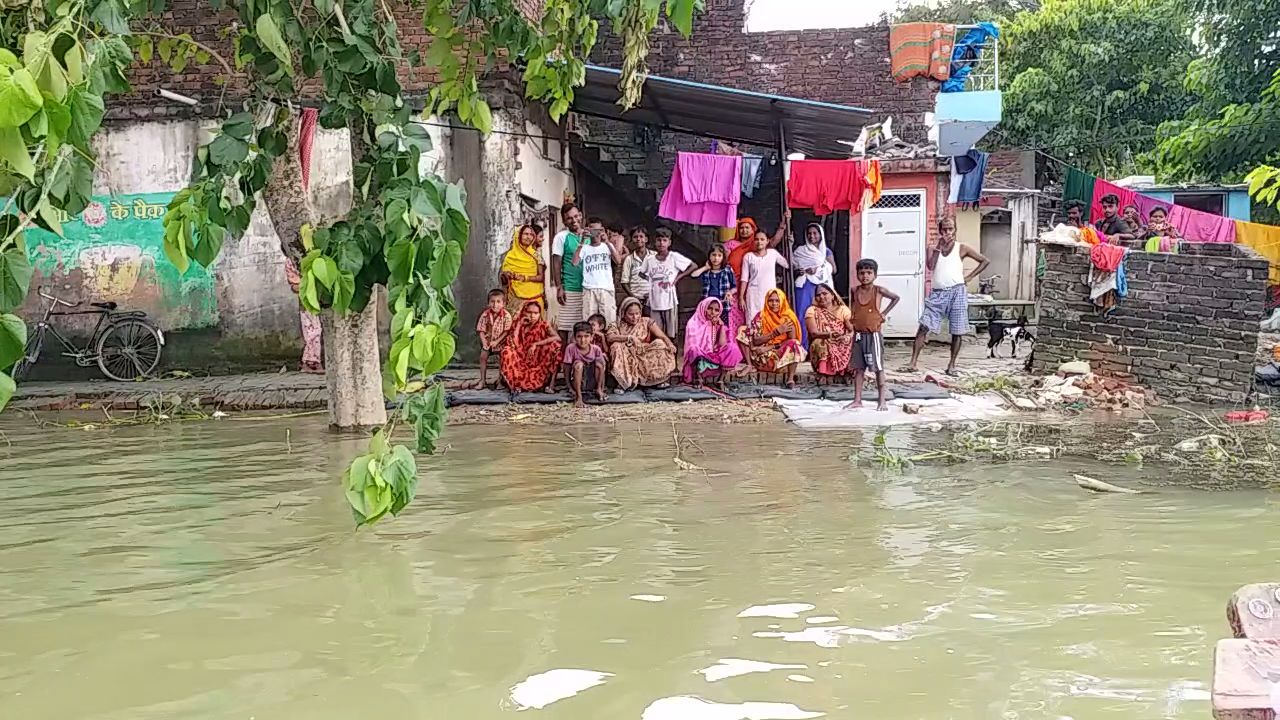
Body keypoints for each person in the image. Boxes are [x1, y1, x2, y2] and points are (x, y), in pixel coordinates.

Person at [905, 216, 989, 375]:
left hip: (957, 291)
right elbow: (931, 266)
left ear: (955, 230)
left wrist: (969, 277)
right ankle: (913, 363)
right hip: (938, 293)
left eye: (950, 229)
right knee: (924, 325)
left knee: (957, 330)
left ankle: (952, 365)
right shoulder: (933, 248)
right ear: (940, 231)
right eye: (944, 229)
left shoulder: (962, 248)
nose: (947, 232)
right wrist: (938, 246)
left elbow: (985, 261)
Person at [847, 259, 900, 410]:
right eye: (862, 273)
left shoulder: (879, 290)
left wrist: (884, 313)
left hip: (873, 335)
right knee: (858, 368)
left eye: (869, 273)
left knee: (878, 368)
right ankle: (857, 400)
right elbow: (853, 308)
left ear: (875, 275)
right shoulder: (854, 291)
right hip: (858, 335)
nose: (865, 276)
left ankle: (882, 401)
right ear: (857, 274)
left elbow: (896, 298)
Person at [739, 288, 807, 388]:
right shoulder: (761, 316)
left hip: (780, 359)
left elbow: (791, 342)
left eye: (777, 300)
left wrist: (770, 346)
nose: (774, 303)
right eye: (771, 300)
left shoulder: (788, 318)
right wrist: (774, 333)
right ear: (767, 301)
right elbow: (755, 340)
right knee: (743, 330)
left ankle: (790, 379)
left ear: (782, 301)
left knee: (794, 344)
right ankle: (749, 365)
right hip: (760, 358)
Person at [606, 297, 678, 391]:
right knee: (616, 346)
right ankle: (624, 382)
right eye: (631, 314)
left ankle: (657, 380)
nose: (635, 317)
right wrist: (628, 338)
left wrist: (670, 345)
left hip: (644, 352)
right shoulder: (616, 324)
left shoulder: (646, 321)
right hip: (626, 353)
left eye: (637, 313)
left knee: (660, 344)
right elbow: (610, 337)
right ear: (623, 313)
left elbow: (662, 336)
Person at [639, 228, 695, 339]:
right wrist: (651, 281)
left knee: (671, 333)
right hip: (654, 300)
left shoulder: (674, 257)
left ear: (669, 242)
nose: (661, 243)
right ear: (654, 242)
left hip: (669, 300)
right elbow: (641, 273)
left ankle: (672, 353)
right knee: (657, 332)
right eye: (659, 240)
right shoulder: (649, 259)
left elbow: (693, 266)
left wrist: (677, 278)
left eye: (664, 240)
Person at [500, 300, 562, 393]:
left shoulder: (543, 325)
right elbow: (513, 343)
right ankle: (515, 384)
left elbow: (557, 338)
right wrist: (519, 324)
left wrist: (536, 344)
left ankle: (551, 385)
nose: (532, 316)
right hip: (520, 360)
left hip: (538, 361)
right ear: (524, 312)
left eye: (536, 313)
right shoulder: (519, 324)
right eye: (529, 312)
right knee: (507, 350)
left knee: (555, 346)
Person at [682, 297, 744, 389]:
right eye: (710, 308)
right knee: (694, 350)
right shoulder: (693, 323)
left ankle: (720, 379)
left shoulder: (718, 324)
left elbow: (722, 345)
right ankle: (698, 378)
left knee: (732, 348)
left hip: (715, 358)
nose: (713, 312)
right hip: (701, 357)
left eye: (716, 310)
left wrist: (721, 326)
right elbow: (692, 346)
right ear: (704, 308)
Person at [792, 222, 836, 346]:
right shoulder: (800, 251)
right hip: (805, 284)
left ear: (820, 235)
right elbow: (792, 266)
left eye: (815, 233)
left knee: (822, 314)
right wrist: (800, 270)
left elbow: (834, 269)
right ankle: (803, 347)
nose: (812, 236)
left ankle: (823, 346)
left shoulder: (826, 252)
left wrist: (819, 268)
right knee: (803, 314)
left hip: (821, 286)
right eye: (809, 234)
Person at [573, 222, 625, 324]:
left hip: (606, 288)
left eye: (599, 230)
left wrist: (607, 241)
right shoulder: (585, 247)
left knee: (609, 321)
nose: (596, 233)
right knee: (588, 321)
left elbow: (618, 261)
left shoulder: (607, 246)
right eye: (593, 230)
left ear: (603, 230)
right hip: (589, 288)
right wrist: (582, 242)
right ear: (588, 230)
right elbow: (575, 262)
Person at [739, 230, 791, 326]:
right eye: (757, 239)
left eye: (762, 239)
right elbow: (744, 278)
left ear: (767, 241)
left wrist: (790, 245)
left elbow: (787, 264)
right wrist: (741, 297)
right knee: (752, 320)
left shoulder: (773, 253)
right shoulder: (748, 256)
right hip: (753, 293)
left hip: (770, 293)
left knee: (770, 319)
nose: (759, 242)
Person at [551, 203, 586, 342]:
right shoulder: (561, 237)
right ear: (564, 221)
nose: (574, 220)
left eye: (576, 216)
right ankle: (563, 361)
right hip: (570, 288)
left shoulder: (589, 236)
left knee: (584, 329)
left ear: (581, 215)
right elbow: (556, 263)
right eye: (569, 218)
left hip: (588, 289)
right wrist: (560, 287)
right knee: (565, 328)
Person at [804, 284, 854, 381]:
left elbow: (851, 329)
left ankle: (846, 371)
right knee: (819, 343)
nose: (821, 297)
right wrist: (830, 335)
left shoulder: (843, 310)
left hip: (841, 340)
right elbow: (814, 333)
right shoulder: (812, 310)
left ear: (832, 295)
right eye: (818, 295)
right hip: (824, 341)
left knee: (854, 342)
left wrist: (847, 337)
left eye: (824, 293)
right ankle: (823, 371)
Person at [284, 257, 323, 373]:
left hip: (312, 297)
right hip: (307, 299)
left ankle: (311, 360)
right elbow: (294, 286)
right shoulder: (292, 261)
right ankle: (310, 361)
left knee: (313, 330)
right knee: (313, 330)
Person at [726, 212, 791, 281]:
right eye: (741, 228)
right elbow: (724, 261)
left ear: (753, 229)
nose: (744, 230)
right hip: (732, 280)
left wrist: (783, 224)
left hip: (753, 280)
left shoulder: (757, 243)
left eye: (747, 227)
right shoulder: (731, 244)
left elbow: (774, 241)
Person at [499, 223, 546, 308]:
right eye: (526, 234)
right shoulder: (509, 256)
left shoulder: (536, 255)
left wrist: (525, 278)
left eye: (531, 234)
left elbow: (541, 277)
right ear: (519, 236)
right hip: (515, 299)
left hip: (535, 299)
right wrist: (508, 276)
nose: (528, 237)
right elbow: (504, 280)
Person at [690, 243, 737, 324]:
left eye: (719, 255)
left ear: (723, 257)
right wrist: (705, 267)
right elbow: (693, 275)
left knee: (722, 327)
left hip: (723, 304)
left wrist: (730, 292)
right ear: (709, 256)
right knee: (708, 328)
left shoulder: (727, 270)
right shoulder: (706, 272)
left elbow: (735, 287)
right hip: (708, 306)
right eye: (713, 255)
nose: (716, 258)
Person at [564, 321, 607, 407]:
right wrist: (570, 387)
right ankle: (579, 397)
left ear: (591, 337)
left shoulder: (596, 349)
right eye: (579, 337)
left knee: (599, 364)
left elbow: (602, 368)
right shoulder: (571, 348)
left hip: (592, 381)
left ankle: (598, 390)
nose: (583, 340)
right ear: (575, 337)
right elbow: (566, 369)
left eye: (586, 336)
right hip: (578, 382)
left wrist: (601, 388)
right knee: (579, 365)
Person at [475, 289, 512, 389]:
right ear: (488, 303)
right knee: (483, 356)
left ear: (504, 304)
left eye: (498, 302)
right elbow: (481, 330)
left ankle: (500, 380)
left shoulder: (507, 316)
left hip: (501, 342)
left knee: (503, 358)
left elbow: (506, 332)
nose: (495, 305)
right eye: (492, 301)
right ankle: (482, 380)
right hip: (488, 342)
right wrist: (484, 343)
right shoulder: (485, 315)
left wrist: (497, 341)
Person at [620, 226, 652, 310]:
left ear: (646, 239)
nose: (638, 239)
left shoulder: (654, 256)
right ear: (632, 240)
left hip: (653, 298)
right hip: (636, 299)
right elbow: (624, 282)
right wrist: (634, 297)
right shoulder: (629, 259)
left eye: (641, 236)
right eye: (635, 237)